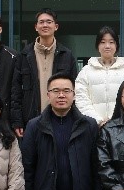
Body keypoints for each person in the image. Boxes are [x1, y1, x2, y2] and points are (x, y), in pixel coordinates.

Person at [11, 8, 78, 138]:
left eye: (49, 22)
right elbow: (15, 91)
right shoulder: (24, 56)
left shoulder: (66, 55)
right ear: (36, 27)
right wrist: (17, 121)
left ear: (56, 26)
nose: (45, 25)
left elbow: (75, 89)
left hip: (60, 119)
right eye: (41, 22)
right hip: (30, 120)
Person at [74, 26, 124, 126]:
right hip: (93, 126)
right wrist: (98, 121)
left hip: (121, 126)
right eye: (103, 42)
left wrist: (116, 121)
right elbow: (81, 99)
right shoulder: (86, 71)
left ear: (116, 45)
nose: (107, 46)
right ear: (97, 45)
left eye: (111, 42)